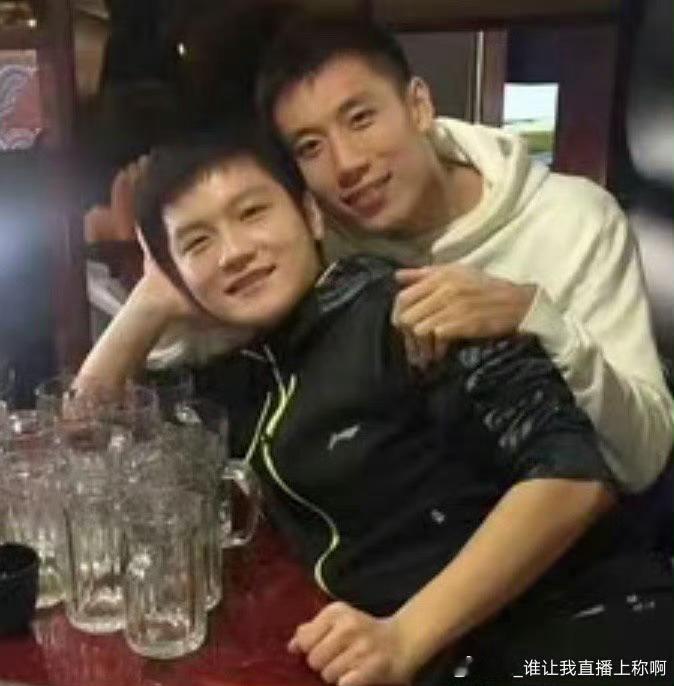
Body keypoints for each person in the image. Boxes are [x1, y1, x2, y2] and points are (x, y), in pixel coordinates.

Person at [77, 123, 672, 686]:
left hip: (589, 640)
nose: (233, 252)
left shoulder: (409, 308)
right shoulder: (243, 367)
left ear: (310, 214)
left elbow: (575, 478)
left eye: (252, 212)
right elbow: (81, 437)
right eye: (197, 242)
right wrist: (151, 300)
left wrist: (404, 636)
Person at [84, 7, 672, 495]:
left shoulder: (573, 220)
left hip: (561, 539)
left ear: (418, 105)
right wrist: (154, 295)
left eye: (361, 118)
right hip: (397, 542)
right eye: (310, 146)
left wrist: (534, 315)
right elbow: (88, 423)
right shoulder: (318, 241)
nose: (347, 164)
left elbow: (643, 457)